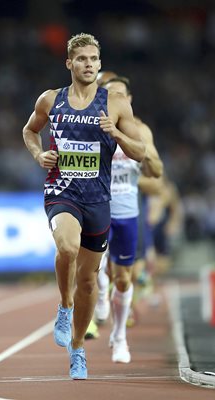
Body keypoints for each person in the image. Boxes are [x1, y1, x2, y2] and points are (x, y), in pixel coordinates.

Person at [22, 34, 146, 379]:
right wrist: (38, 154)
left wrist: (117, 134)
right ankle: (64, 305)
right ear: (69, 63)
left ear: (100, 64)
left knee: (89, 282)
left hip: (98, 199)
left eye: (93, 59)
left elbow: (140, 152)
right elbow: (30, 131)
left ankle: (77, 348)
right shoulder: (51, 100)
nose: (88, 64)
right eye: (81, 59)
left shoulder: (116, 103)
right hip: (62, 192)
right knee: (67, 245)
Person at [89, 74, 163, 363]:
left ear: (129, 101)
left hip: (127, 210)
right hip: (97, 206)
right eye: (110, 96)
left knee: (125, 278)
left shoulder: (140, 130)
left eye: (120, 96)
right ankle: (98, 306)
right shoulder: (92, 126)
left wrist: (139, 152)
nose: (115, 101)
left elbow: (156, 175)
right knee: (91, 266)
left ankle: (119, 337)